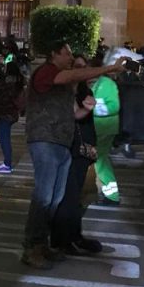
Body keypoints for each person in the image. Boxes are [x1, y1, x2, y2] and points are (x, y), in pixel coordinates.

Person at [22, 41, 124, 270]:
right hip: (45, 140)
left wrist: (86, 109)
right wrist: (108, 69)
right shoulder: (48, 72)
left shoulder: (63, 84)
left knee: (55, 198)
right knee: (44, 197)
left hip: (61, 143)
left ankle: (44, 243)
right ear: (53, 54)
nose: (69, 57)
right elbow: (70, 76)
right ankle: (32, 246)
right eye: (66, 53)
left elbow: (72, 114)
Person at [53, 55, 104, 256]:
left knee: (79, 197)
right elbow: (75, 116)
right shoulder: (64, 91)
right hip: (69, 148)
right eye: (78, 67)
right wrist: (87, 108)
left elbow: (87, 122)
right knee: (68, 196)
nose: (82, 71)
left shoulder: (85, 90)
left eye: (84, 67)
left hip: (83, 150)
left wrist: (92, 146)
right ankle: (62, 240)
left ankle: (74, 236)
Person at [91, 59, 122, 204]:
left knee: (100, 160)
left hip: (104, 128)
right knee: (100, 160)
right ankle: (105, 191)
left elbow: (114, 106)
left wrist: (91, 109)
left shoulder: (107, 84)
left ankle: (111, 195)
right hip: (100, 127)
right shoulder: (99, 83)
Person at [0, 59, 25, 174]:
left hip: (6, 113)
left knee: (4, 138)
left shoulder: (9, 83)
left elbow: (1, 95)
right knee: (4, 137)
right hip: (10, 113)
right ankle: (7, 163)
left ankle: (7, 164)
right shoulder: (17, 82)